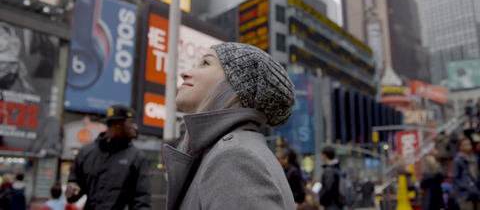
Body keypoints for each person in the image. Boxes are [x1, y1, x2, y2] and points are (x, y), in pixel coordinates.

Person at [164, 43, 296, 209]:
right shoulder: (231, 151)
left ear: (237, 85)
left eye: (206, 63)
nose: (184, 73)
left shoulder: (233, 157)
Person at [66, 104, 151, 210]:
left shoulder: (137, 157)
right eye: (132, 122)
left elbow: (142, 201)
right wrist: (72, 189)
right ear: (118, 123)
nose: (136, 127)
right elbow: (74, 190)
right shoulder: (86, 152)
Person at [452, 137, 480, 210]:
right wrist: (466, 187)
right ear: (461, 147)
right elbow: (455, 178)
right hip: (465, 195)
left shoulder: (475, 157)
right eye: (465, 144)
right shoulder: (458, 160)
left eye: (469, 144)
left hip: (476, 192)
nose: (468, 146)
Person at [318, 146, 343, 210]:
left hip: (332, 205)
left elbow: (328, 188)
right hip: (336, 204)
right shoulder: (335, 168)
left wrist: (321, 199)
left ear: (325, 155)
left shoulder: (329, 170)